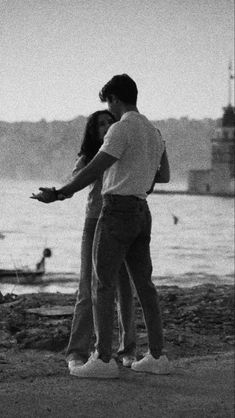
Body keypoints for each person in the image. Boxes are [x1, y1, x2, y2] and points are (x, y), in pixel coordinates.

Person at [31, 74, 171, 379]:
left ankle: (104, 359)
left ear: (116, 99)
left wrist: (59, 193)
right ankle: (158, 357)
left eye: (109, 102)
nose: (110, 108)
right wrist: (136, 173)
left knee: (102, 285)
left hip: (117, 211)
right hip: (141, 211)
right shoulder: (153, 130)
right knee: (144, 286)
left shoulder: (122, 129)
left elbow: (95, 167)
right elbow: (164, 176)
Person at [66, 110, 136, 372]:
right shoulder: (92, 155)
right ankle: (76, 351)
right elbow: (76, 179)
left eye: (109, 122)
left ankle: (128, 350)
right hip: (95, 221)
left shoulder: (123, 148)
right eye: (100, 124)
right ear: (93, 131)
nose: (106, 126)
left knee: (123, 289)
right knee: (87, 287)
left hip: (121, 220)